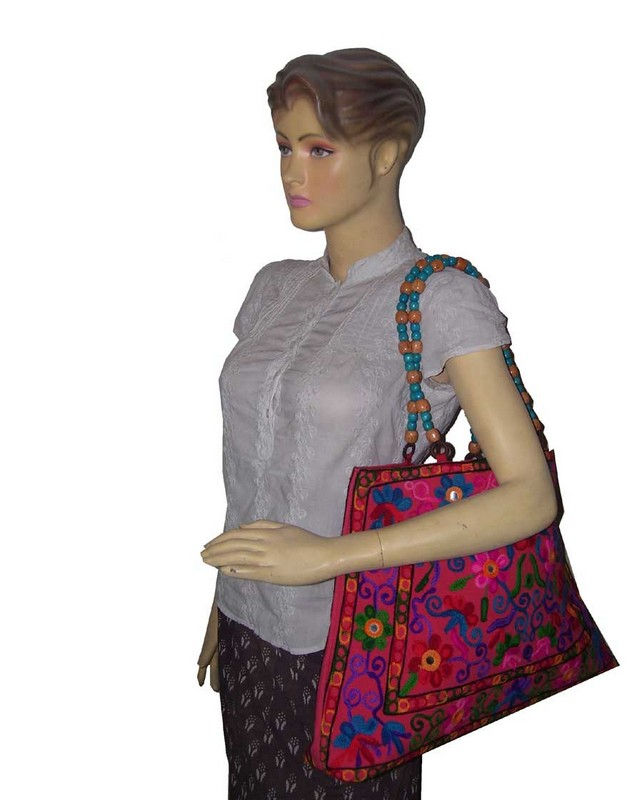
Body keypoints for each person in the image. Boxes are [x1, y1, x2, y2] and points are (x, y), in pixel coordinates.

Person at [196, 47, 558, 800]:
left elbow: (531, 497)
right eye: (284, 148)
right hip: (246, 624)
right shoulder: (273, 290)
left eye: (320, 149)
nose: (292, 172)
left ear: (388, 153)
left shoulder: (440, 297)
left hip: (355, 645)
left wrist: (326, 558)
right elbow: (261, 464)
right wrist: (225, 601)